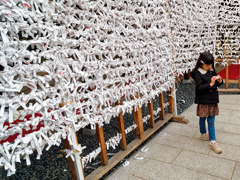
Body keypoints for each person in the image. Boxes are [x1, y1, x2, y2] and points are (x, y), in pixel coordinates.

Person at [191, 52, 223, 154]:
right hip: (204, 101)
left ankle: (212, 141)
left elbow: (219, 84)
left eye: (211, 65)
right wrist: (210, 84)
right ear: (201, 63)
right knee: (202, 117)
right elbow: (199, 88)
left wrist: (219, 81)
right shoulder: (197, 73)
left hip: (212, 100)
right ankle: (203, 133)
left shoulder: (211, 70)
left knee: (211, 120)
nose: (209, 67)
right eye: (207, 65)